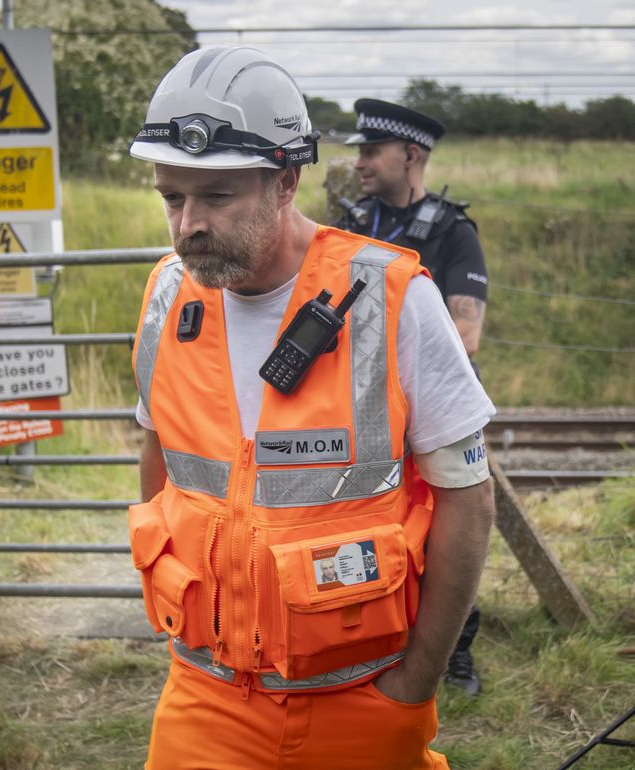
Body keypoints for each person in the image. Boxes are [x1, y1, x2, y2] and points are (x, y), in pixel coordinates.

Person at [127, 46, 496, 769]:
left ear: (286, 180)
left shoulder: (393, 298)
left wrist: (415, 682)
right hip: (204, 693)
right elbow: (159, 455)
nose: (187, 226)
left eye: (217, 197)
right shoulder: (168, 297)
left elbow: (469, 498)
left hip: (361, 698)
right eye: (173, 197)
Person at [337, 99, 489, 695]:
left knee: (449, 528)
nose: (361, 161)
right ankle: (366, 640)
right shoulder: (348, 224)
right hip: (353, 416)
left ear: (412, 155)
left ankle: (453, 652)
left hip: (425, 415)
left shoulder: (453, 231)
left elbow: (466, 332)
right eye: (359, 151)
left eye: (372, 151)